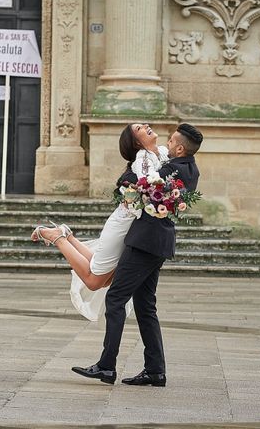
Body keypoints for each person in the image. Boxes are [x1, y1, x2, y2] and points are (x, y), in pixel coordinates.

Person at [71, 122, 203, 386]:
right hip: (159, 242)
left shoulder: (168, 169)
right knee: (145, 306)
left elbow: (138, 183)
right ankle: (155, 370)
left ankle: (107, 366)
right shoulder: (191, 168)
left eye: (172, 138)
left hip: (144, 242)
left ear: (179, 147)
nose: (166, 139)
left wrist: (127, 181)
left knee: (116, 299)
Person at [31, 123, 168, 321]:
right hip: (122, 225)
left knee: (106, 278)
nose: (146, 125)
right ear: (136, 143)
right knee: (94, 281)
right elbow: (147, 186)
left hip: (131, 228)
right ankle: (58, 237)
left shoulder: (158, 154)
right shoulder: (143, 159)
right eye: (139, 128)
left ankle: (68, 236)